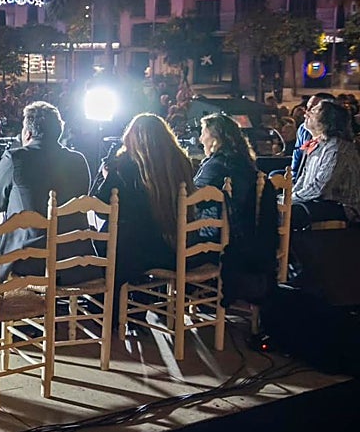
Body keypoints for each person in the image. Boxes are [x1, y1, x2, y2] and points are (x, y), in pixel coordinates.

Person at [0, 101, 97, 290]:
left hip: (35, 261)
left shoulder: (15, 158)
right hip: (77, 260)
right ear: (59, 130)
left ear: (28, 132)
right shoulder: (79, 160)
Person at [93, 113, 195, 287]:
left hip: (138, 253)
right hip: (176, 249)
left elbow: (102, 209)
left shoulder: (125, 165)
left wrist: (107, 176)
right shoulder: (181, 162)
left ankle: (112, 308)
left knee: (99, 243)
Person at [193, 113, 272, 302]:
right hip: (246, 235)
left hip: (218, 241)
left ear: (215, 137)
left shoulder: (216, 166)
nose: (200, 139)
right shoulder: (244, 162)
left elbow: (192, 200)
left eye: (203, 133)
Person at [291, 99, 360, 229]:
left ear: (327, 121)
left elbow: (320, 188)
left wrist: (289, 199)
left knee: (291, 213)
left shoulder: (337, 148)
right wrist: (288, 196)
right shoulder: (319, 145)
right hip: (319, 202)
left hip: (344, 208)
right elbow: (303, 180)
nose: (306, 113)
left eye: (314, 111)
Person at [290, 93, 335, 179]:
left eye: (313, 109)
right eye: (307, 107)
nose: (306, 112)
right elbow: (298, 160)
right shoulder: (303, 128)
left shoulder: (333, 145)